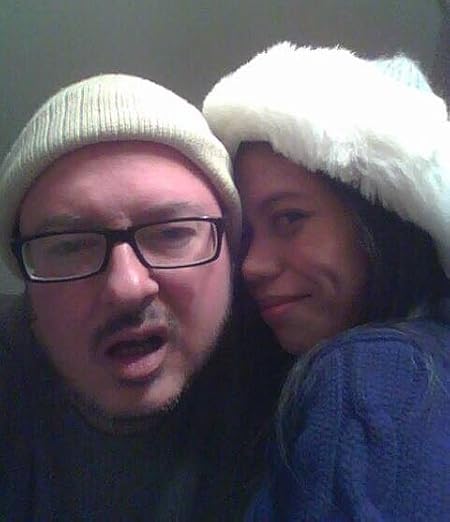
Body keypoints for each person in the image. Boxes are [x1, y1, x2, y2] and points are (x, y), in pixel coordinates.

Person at [203, 43, 450, 520]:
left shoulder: (366, 375)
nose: (251, 266)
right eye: (247, 235)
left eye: (289, 219)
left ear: (380, 220)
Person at [0, 73, 259, 521]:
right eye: (70, 246)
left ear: (231, 254)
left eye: (172, 234)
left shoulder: (304, 392)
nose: (127, 287)